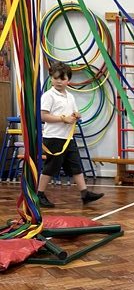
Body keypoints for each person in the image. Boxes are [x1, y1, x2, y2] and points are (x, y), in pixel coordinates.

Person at [37, 63, 104, 208]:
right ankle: (39, 194)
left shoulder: (70, 96)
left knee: (76, 166)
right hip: (54, 137)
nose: (59, 82)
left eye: (63, 79)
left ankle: (85, 194)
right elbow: (43, 116)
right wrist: (63, 119)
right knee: (50, 167)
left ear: (68, 80)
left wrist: (76, 115)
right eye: (56, 78)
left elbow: (73, 113)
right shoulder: (48, 96)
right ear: (51, 78)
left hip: (68, 138)